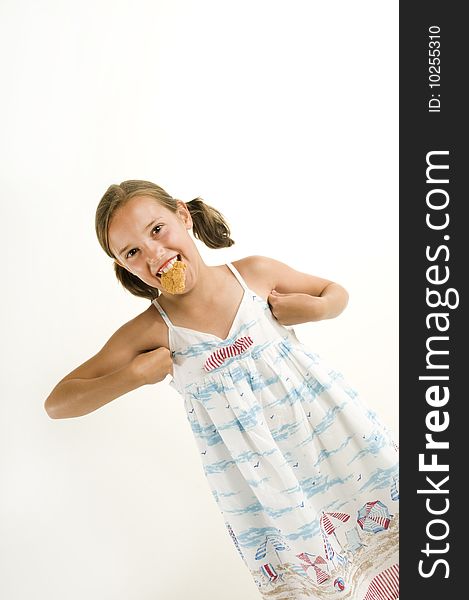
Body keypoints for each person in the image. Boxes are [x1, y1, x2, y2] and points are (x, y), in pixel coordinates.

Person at [44, 180, 399, 599]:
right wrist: (134, 375)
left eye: (156, 230)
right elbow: (59, 403)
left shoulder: (254, 275)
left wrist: (318, 308)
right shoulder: (155, 330)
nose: (154, 254)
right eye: (132, 252)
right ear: (124, 266)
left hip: (335, 437)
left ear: (182, 215)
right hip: (267, 480)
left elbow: (334, 292)